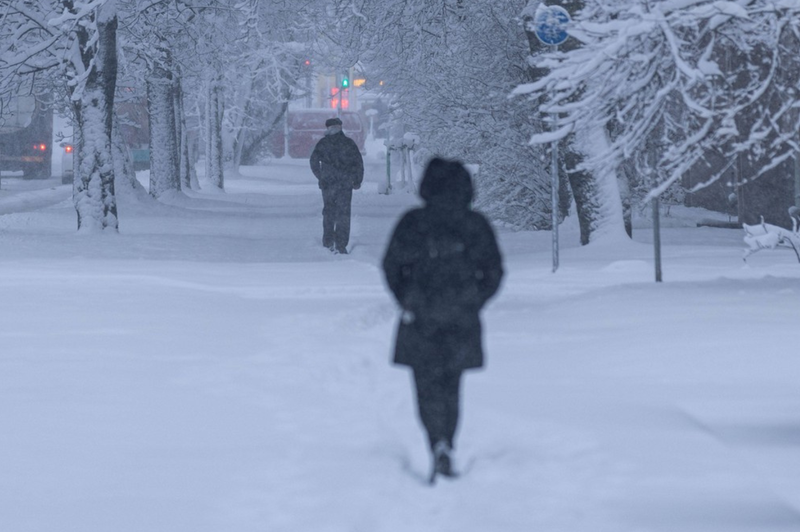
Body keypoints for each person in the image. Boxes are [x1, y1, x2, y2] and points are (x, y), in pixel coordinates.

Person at [382, 157, 503, 484]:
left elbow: (392, 266)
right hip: (461, 319)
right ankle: (447, 441)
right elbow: (493, 271)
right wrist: (474, 300)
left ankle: (435, 441)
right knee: (452, 385)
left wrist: (406, 298)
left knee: (426, 387)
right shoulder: (474, 224)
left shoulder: (413, 222)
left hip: (420, 317)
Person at [309, 117, 364, 254]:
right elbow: (358, 163)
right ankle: (341, 244)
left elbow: (313, 161)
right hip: (345, 183)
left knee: (329, 212)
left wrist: (321, 176)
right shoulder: (348, 143)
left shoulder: (323, 143)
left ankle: (328, 242)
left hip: (328, 184)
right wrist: (357, 180)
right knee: (343, 214)